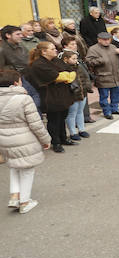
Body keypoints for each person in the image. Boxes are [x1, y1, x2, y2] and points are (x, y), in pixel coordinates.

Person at [0, 69, 51, 214]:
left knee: (14, 166)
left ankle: (14, 196)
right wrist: (45, 140)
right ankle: (25, 201)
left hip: (4, 139)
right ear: (16, 83)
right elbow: (36, 124)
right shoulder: (23, 98)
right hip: (24, 138)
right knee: (27, 169)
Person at [26, 41, 76, 152]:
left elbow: (71, 71)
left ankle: (63, 138)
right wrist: (65, 76)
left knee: (63, 116)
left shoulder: (56, 60)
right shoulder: (38, 64)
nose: (55, 51)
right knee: (54, 119)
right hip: (50, 95)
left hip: (62, 93)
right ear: (44, 51)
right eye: (52, 49)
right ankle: (56, 142)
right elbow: (56, 76)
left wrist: (66, 76)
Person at [86, 32, 119, 119]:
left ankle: (115, 108)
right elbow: (89, 61)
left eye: (108, 39)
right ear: (99, 40)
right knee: (104, 97)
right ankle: (106, 112)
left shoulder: (113, 47)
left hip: (115, 76)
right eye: (104, 40)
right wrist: (101, 60)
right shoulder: (93, 49)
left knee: (116, 95)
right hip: (103, 77)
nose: (107, 41)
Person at [60, 43, 91, 141]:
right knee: (72, 113)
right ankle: (73, 132)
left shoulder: (78, 67)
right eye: (73, 59)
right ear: (66, 59)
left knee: (80, 112)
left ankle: (81, 129)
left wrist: (87, 87)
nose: (76, 61)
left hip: (82, 92)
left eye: (76, 58)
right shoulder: (64, 68)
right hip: (72, 95)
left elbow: (85, 78)